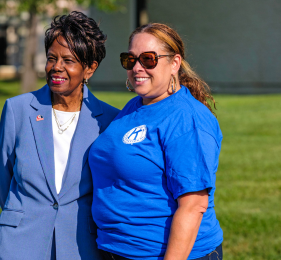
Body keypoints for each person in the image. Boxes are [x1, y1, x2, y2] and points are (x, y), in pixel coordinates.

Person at [0, 11, 119, 260]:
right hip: (20, 243)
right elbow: (4, 179)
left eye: (68, 60)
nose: (56, 67)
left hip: (80, 245)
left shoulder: (109, 120)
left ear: (89, 69)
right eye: (51, 58)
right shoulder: (17, 109)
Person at [89, 23, 223, 260]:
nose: (137, 67)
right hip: (117, 249)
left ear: (174, 63)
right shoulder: (135, 107)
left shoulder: (186, 119)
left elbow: (193, 206)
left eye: (148, 59)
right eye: (130, 60)